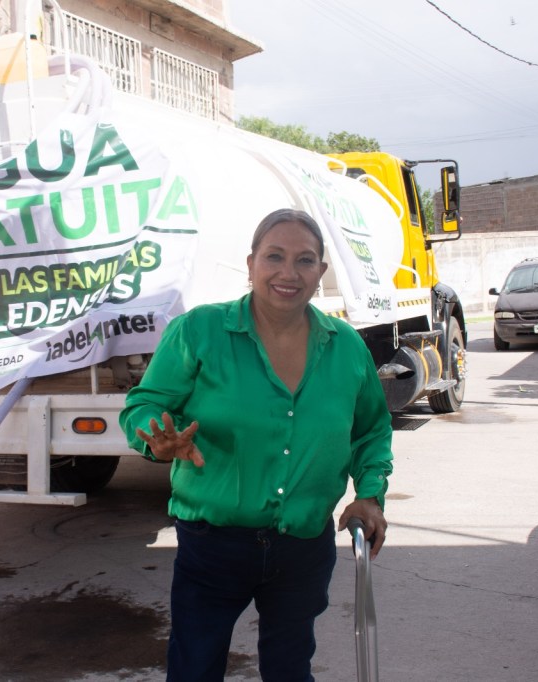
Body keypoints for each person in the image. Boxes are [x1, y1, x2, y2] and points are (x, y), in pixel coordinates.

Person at [119, 208, 394, 682]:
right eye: (274, 257)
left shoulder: (346, 346)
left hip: (303, 546)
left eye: (305, 260)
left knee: (290, 670)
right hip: (212, 544)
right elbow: (143, 404)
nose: (289, 273)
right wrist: (155, 439)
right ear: (251, 264)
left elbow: (370, 429)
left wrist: (369, 494)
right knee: (194, 670)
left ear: (320, 273)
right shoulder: (199, 332)